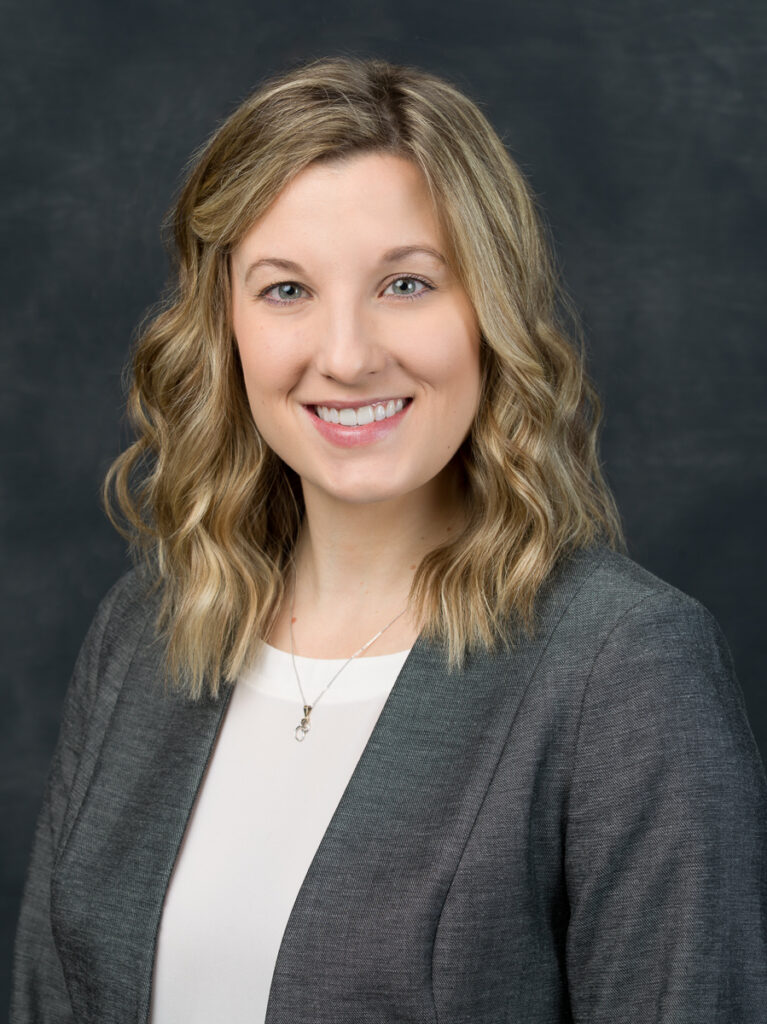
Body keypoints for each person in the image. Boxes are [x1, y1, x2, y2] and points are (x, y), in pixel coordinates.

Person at [11, 56, 767, 1024]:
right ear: (223, 326)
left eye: (404, 283)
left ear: (489, 312)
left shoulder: (622, 666)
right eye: (285, 291)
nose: (347, 355)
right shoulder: (145, 633)